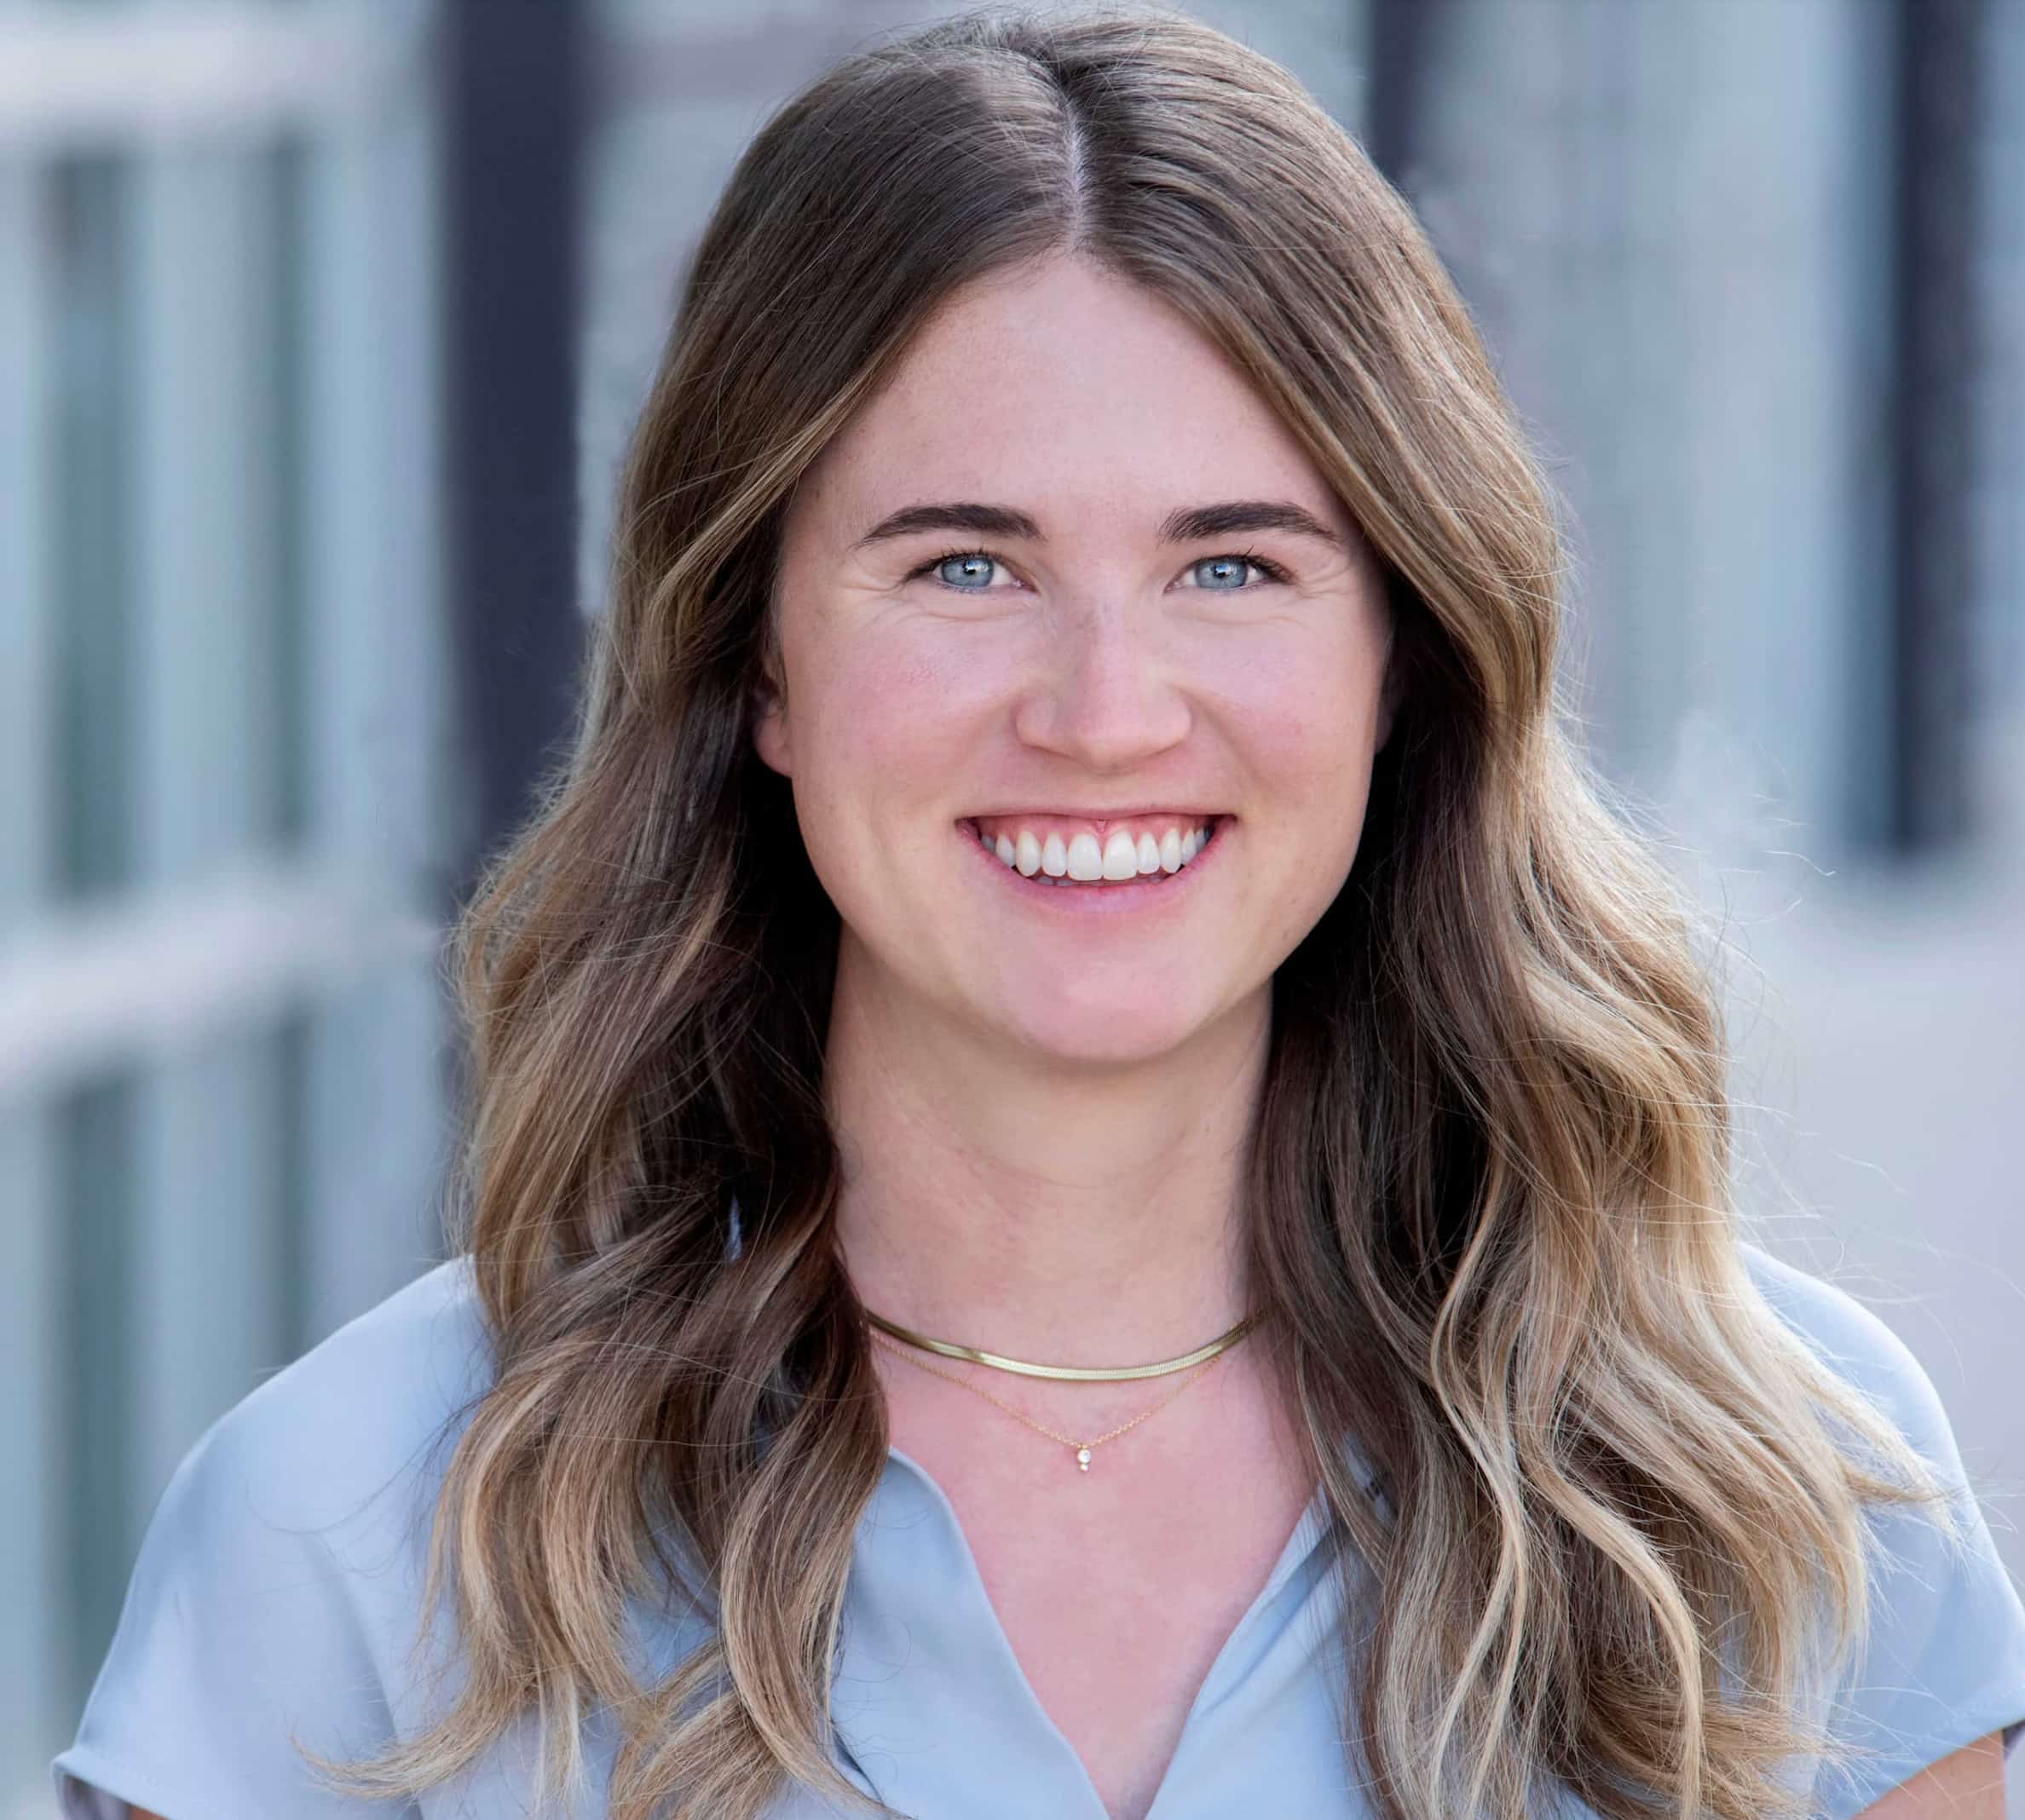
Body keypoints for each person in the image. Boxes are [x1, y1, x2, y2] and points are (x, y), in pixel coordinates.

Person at [52, 8, 2025, 1819]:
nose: (1104, 714)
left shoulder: (1777, 1498)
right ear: (756, 664)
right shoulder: (355, 1546)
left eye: (1235, 568)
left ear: (1404, 659)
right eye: (965, 565)